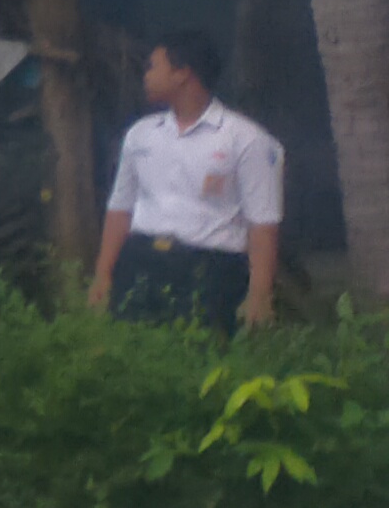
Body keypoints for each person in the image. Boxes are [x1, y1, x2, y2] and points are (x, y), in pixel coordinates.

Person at [89, 30, 282, 331]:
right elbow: (120, 208)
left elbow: (263, 224)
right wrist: (104, 273)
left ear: (182, 74)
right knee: (133, 352)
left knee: (202, 358)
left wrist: (259, 294)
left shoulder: (246, 139)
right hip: (141, 259)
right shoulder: (141, 133)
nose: (146, 76)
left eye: (154, 67)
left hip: (210, 268)